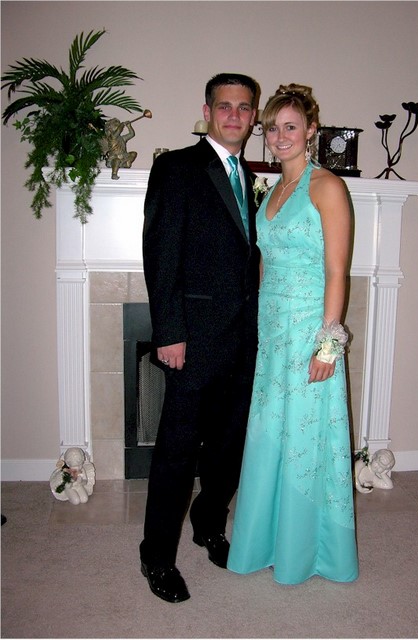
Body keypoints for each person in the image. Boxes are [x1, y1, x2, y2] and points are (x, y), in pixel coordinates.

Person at [227, 83, 359, 585]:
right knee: (269, 432)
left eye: (290, 127)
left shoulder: (327, 187)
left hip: (308, 331)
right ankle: (263, 541)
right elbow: (265, 263)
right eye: (272, 128)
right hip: (272, 333)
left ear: (310, 131)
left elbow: (337, 271)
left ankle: (307, 552)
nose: (279, 137)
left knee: (304, 435)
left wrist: (328, 344)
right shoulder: (270, 190)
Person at [141, 73, 260, 603]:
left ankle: (208, 524)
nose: (235, 115)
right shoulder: (176, 167)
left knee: (229, 447)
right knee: (177, 451)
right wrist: (169, 331)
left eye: (244, 107)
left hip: (244, 339)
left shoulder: (250, 176)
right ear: (207, 112)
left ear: (253, 117)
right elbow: (161, 254)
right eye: (225, 106)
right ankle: (156, 556)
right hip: (192, 338)